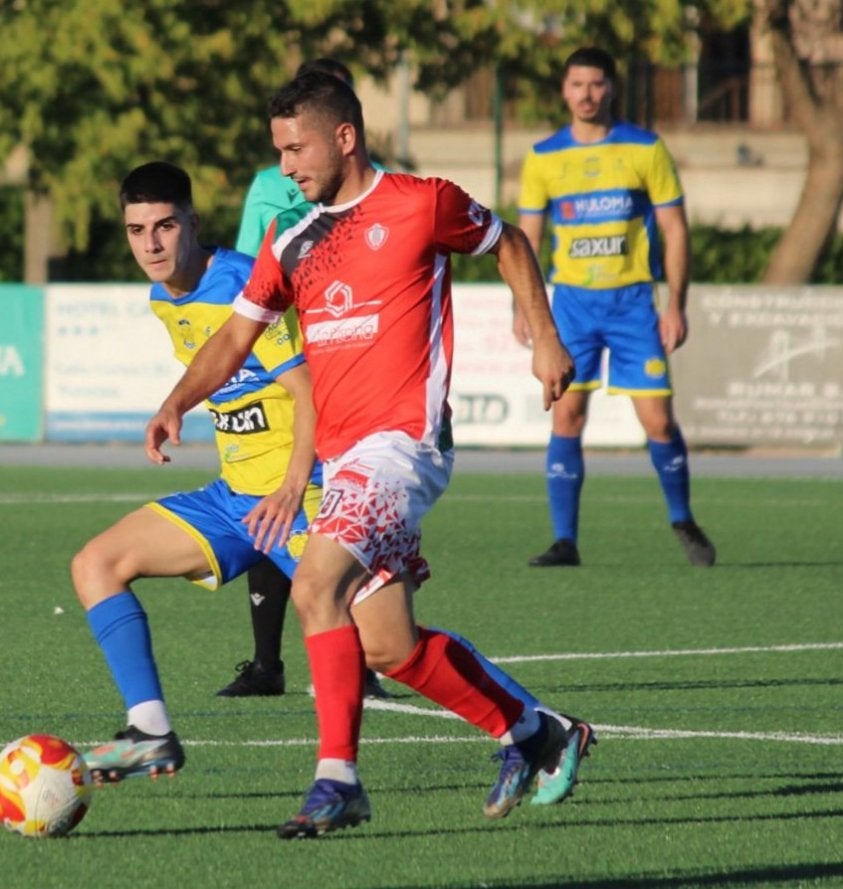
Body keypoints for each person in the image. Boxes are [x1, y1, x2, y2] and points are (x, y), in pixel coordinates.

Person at [146, 71, 594, 838]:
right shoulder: (291, 240)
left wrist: (545, 333)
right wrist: (178, 400)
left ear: (344, 138)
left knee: (316, 581)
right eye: (278, 151)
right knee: (388, 645)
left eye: (296, 148)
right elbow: (233, 335)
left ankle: (338, 779)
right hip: (342, 458)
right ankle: (537, 732)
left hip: (403, 446)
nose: (285, 167)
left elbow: (509, 241)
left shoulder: (423, 203)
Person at [72, 161, 319, 781]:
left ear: (193, 222)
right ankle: (150, 732)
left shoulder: (245, 285)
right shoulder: (164, 297)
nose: (150, 245)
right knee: (96, 565)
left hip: (306, 495)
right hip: (237, 499)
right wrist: (175, 405)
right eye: (136, 230)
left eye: (164, 226)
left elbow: (314, 394)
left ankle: (533, 728)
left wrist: (292, 489)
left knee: (388, 645)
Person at [515, 46, 716, 569]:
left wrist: (676, 302)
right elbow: (527, 240)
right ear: (564, 90)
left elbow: (674, 228)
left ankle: (682, 517)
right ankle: (565, 541)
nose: (587, 94)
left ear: (611, 89)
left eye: (597, 84)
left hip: (632, 306)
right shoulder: (542, 157)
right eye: (577, 85)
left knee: (658, 422)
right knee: (568, 416)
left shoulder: (645, 149)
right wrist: (527, 309)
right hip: (573, 308)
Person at [225, 57, 388, 700]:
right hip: (294, 358)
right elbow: (252, 277)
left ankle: (370, 658)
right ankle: (268, 664)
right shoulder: (270, 188)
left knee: (351, 511)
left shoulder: (389, 194)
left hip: (357, 366)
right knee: (279, 503)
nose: (292, 162)